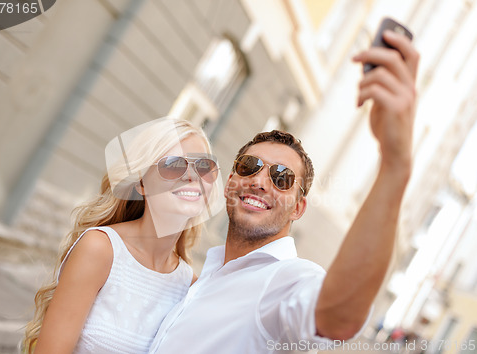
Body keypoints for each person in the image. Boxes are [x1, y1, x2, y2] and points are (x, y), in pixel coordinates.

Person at [149, 29, 419, 353]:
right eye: (250, 166)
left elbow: (337, 316)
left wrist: (395, 164)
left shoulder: (284, 280)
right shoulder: (203, 275)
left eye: (281, 177)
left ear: (298, 209)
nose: (261, 182)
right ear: (231, 182)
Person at [22, 117, 223, 353]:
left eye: (203, 166)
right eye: (173, 164)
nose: (192, 176)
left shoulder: (190, 285)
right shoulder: (100, 249)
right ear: (142, 184)